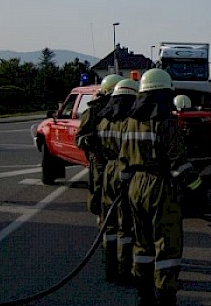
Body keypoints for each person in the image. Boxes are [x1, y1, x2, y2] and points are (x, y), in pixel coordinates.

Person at [120, 68, 203, 306]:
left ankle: (144, 292)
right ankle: (165, 295)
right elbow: (178, 164)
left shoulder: (130, 122)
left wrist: (127, 187)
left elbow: (124, 160)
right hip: (160, 186)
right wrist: (196, 188)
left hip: (136, 185)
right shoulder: (165, 122)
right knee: (167, 244)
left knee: (142, 242)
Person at [96, 78, 139, 286]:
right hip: (123, 172)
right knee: (125, 225)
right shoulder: (128, 123)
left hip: (107, 172)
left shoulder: (104, 120)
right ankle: (123, 271)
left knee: (109, 224)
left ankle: (108, 268)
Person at [76, 73, 123, 218]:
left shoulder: (125, 110)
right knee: (100, 196)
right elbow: (79, 139)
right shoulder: (92, 112)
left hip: (121, 161)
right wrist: (90, 141)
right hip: (100, 161)